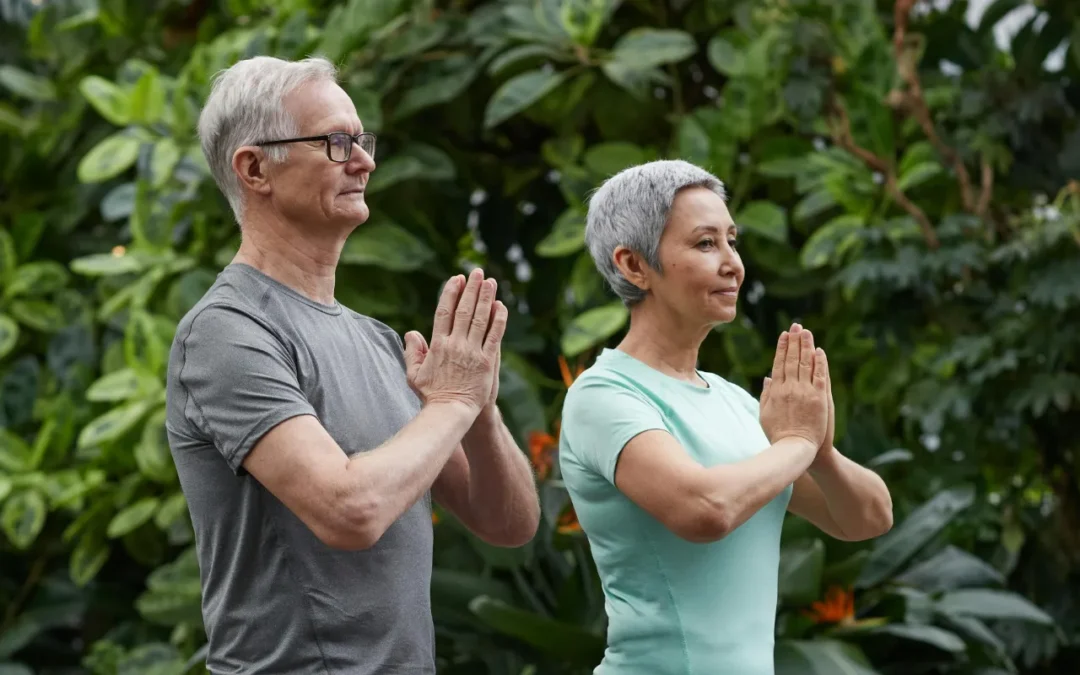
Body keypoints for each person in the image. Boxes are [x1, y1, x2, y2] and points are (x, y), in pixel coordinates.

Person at [165, 55, 540, 675]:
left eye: (362, 141)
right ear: (255, 167)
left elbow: (509, 525)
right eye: (335, 142)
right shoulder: (226, 332)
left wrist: (478, 409)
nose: (364, 160)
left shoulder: (375, 340)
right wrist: (450, 402)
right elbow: (349, 511)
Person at [558, 160, 894, 675]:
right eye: (705, 244)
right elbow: (704, 510)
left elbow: (867, 519)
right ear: (634, 265)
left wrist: (821, 452)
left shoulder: (734, 401)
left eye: (732, 241)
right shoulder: (603, 395)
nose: (733, 263)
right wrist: (797, 442)